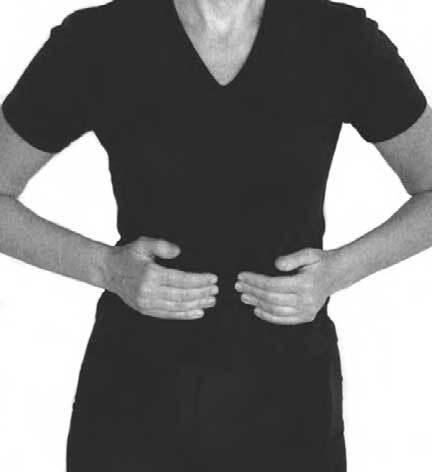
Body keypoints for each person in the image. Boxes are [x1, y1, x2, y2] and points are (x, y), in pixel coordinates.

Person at [0, 0, 431, 470]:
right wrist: (106, 268)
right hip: (135, 403)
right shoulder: (98, 41)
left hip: (288, 405)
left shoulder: (339, 38)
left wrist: (339, 272)